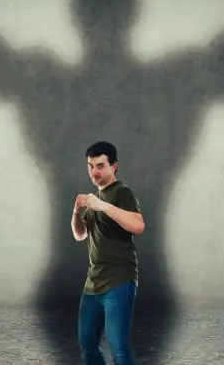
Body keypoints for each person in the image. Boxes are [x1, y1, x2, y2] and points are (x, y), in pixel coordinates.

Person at [72, 141, 145, 365]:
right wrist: (76, 211)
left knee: (119, 349)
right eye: (90, 166)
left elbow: (138, 226)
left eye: (100, 166)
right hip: (93, 282)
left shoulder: (122, 192)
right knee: (88, 346)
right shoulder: (94, 198)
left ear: (114, 166)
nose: (94, 172)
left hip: (119, 279)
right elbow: (79, 235)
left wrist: (102, 206)